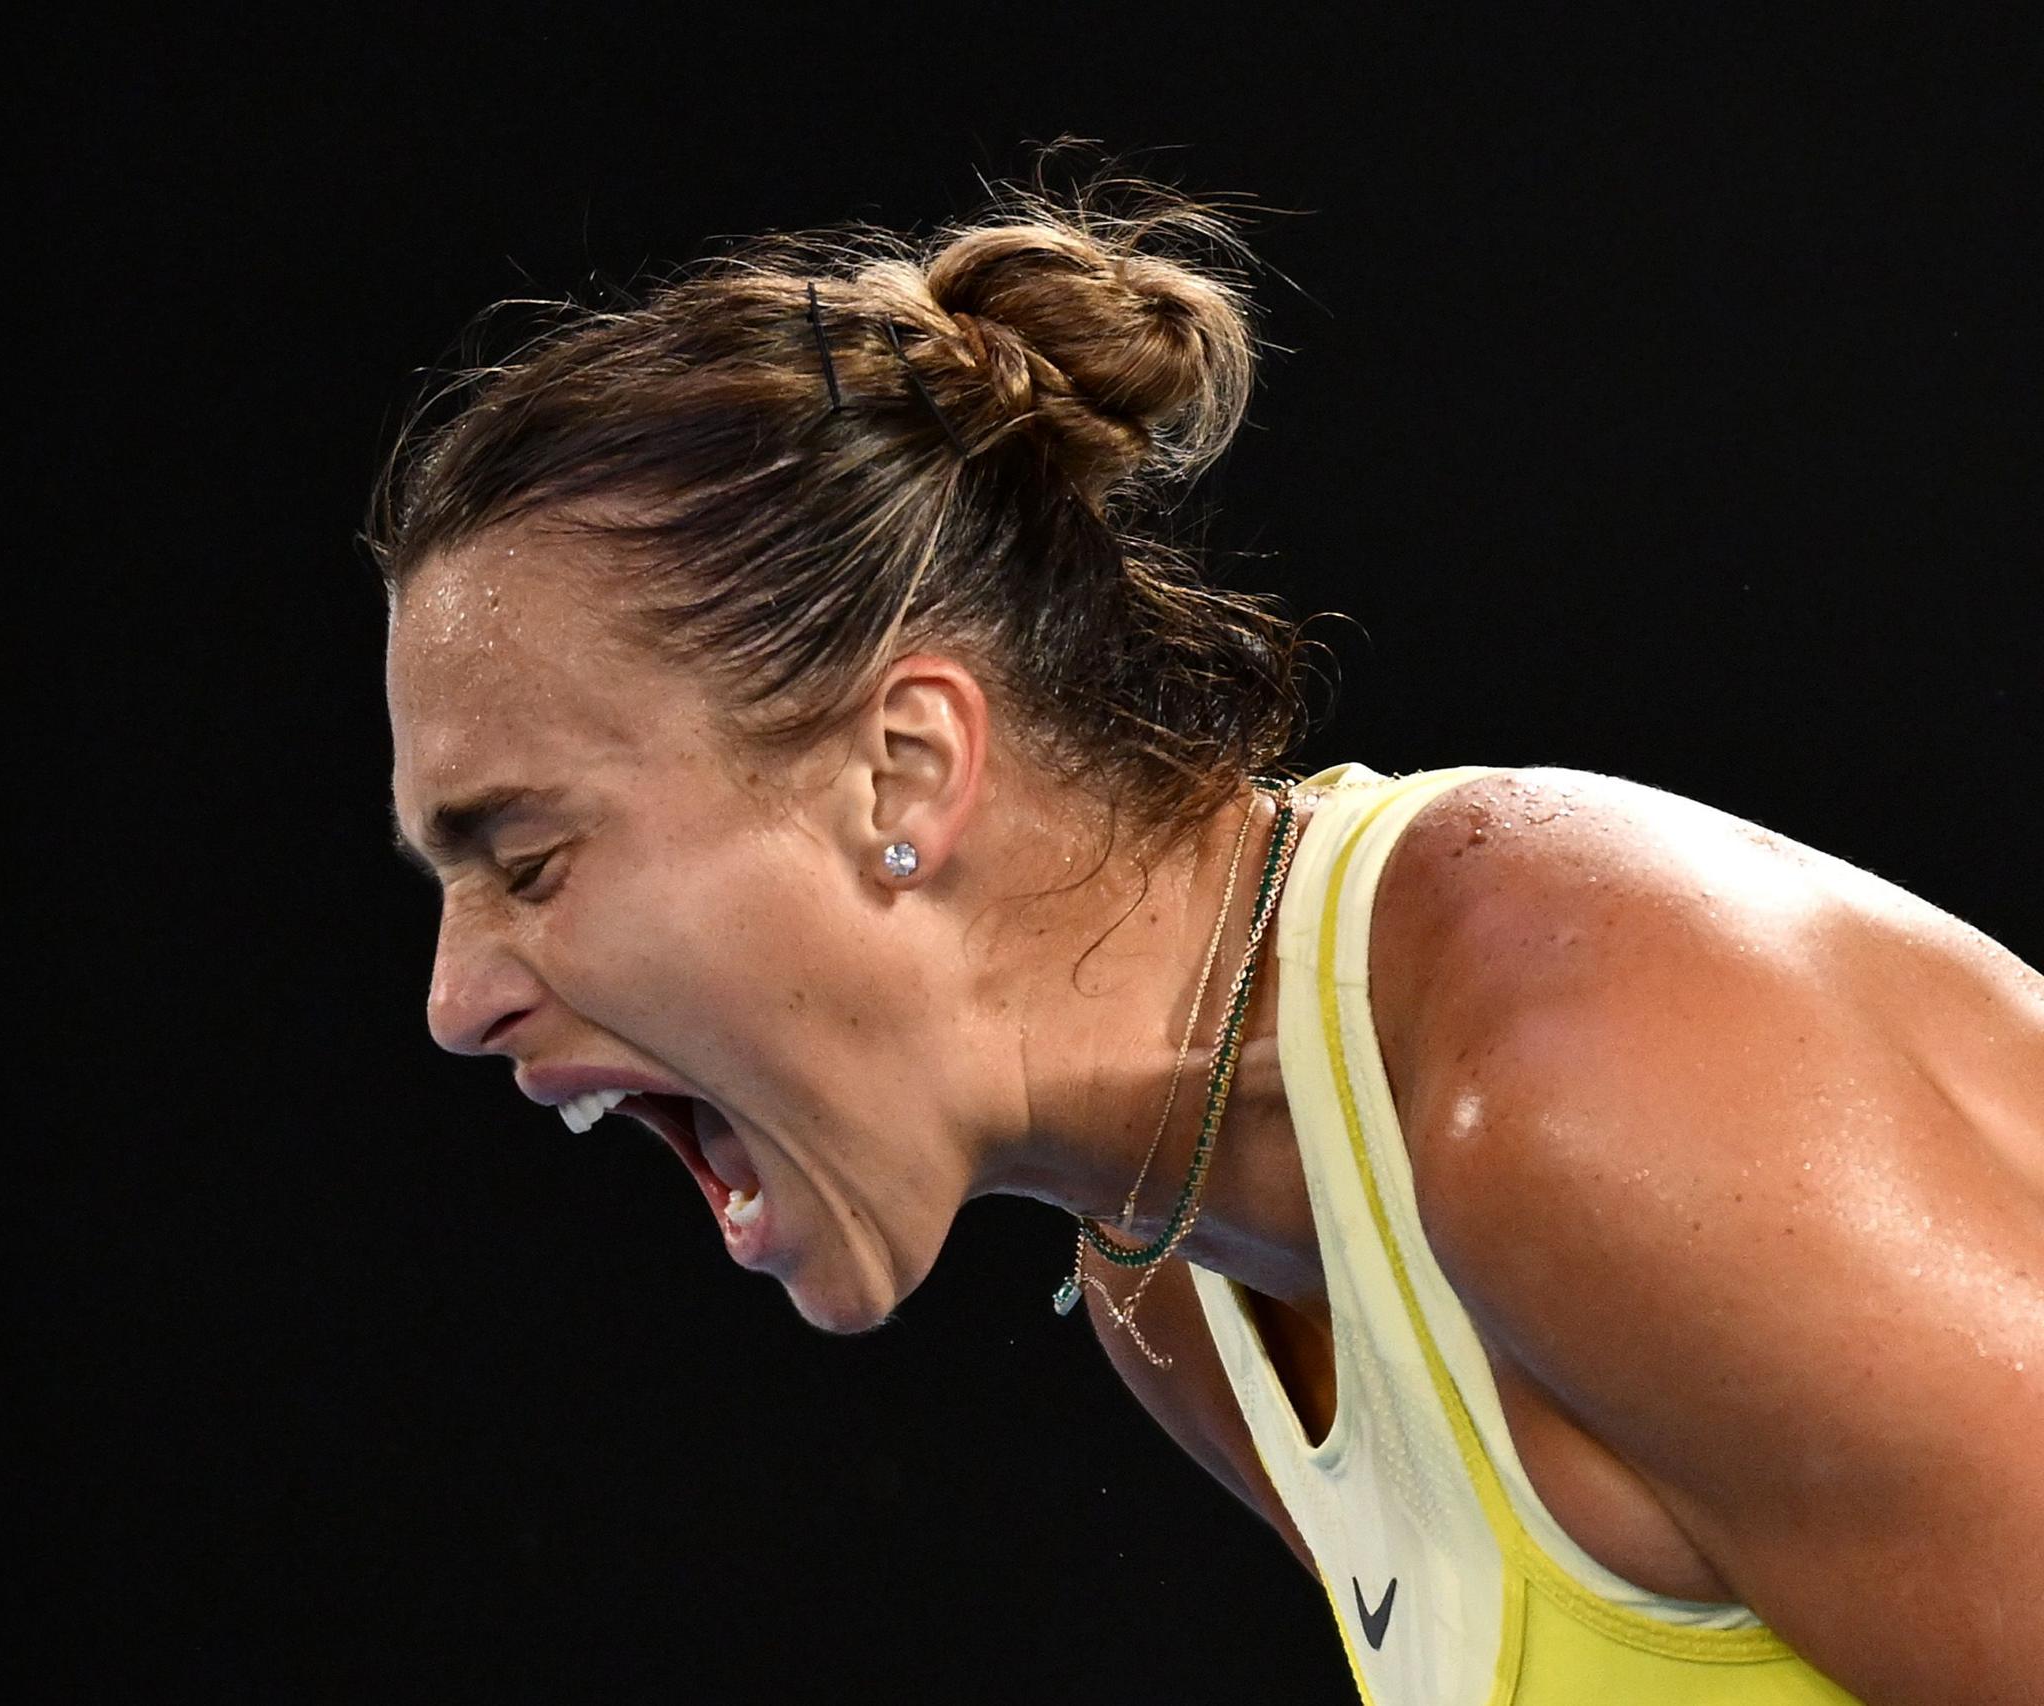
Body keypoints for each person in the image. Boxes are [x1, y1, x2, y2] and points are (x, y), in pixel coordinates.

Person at [372, 184, 2044, 1704]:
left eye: (526, 854)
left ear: (906, 769)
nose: (454, 1000)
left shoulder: (1578, 1089)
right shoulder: (1171, 1279)